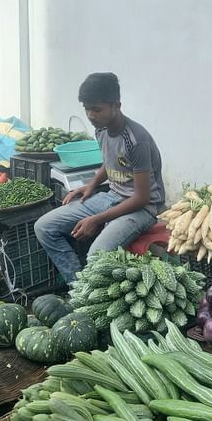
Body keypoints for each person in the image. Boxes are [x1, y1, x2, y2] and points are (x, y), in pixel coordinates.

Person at [34, 72, 165, 285]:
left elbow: (142, 198)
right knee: (44, 227)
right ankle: (78, 287)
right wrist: (91, 185)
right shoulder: (101, 130)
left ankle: (84, 294)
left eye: (97, 109)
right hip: (112, 196)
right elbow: (111, 160)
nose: (91, 115)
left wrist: (96, 219)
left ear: (116, 105)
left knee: (96, 255)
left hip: (142, 208)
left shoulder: (136, 140)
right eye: (86, 108)